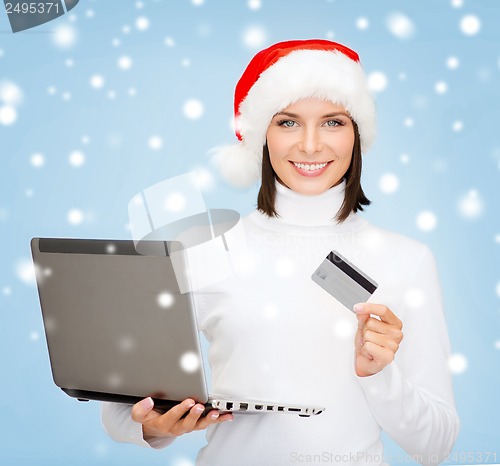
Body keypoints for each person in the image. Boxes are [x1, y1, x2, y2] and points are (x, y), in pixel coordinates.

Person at [102, 39, 460, 465]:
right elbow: (120, 410)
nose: (310, 146)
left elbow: (436, 445)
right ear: (260, 136)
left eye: (333, 122)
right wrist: (151, 424)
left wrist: (380, 376)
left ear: (357, 133)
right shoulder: (209, 252)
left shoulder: (407, 260)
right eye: (288, 123)